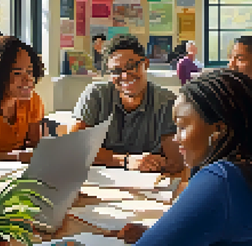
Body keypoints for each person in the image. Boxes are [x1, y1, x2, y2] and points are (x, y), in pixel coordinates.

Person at [115, 69, 252, 246]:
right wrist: (170, 235)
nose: (176, 139)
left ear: (219, 130)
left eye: (182, 126)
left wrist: (160, 243)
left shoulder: (223, 180)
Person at [70, 34, 184, 174]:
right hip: (100, 183)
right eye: (116, 71)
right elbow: (74, 149)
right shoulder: (96, 95)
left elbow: (175, 162)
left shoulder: (167, 102)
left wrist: (153, 163)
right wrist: (124, 160)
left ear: (146, 64)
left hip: (150, 185)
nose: (125, 76)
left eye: (131, 66)